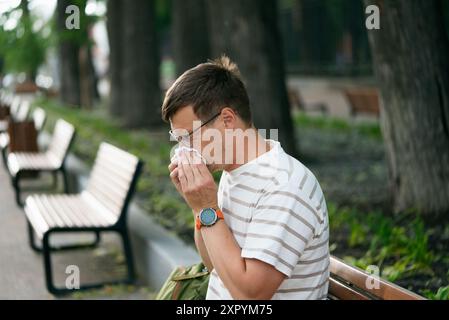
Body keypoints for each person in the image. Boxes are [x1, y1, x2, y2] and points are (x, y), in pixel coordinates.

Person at [163, 56, 329, 300]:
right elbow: (216, 268)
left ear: (227, 120)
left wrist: (207, 207)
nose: (185, 150)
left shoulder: (284, 187)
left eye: (190, 136)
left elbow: (250, 295)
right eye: (179, 141)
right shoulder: (236, 173)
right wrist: (198, 207)